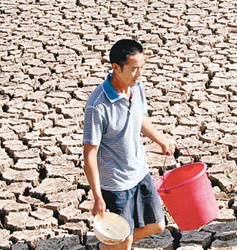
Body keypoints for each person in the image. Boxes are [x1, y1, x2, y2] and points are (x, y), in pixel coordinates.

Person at [83, 39, 177, 249]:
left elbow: (140, 117)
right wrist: (97, 197)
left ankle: (107, 247)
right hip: (116, 184)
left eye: (141, 68)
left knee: (158, 225)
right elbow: (89, 154)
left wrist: (161, 140)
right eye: (134, 69)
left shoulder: (136, 87)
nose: (139, 74)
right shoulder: (97, 106)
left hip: (140, 172)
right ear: (116, 68)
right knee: (124, 242)